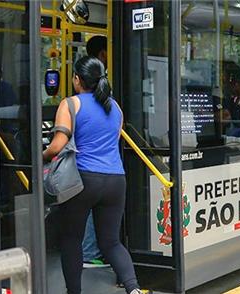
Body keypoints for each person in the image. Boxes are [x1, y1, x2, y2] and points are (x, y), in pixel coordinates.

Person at [43, 56, 144, 294]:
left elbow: (58, 145)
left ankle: (74, 292)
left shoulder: (71, 104)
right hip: (116, 180)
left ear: (77, 79)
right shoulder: (115, 107)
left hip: (83, 180)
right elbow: (114, 137)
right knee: (111, 242)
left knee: (71, 239)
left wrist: (41, 155)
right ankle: (133, 288)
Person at [82, 35, 109, 268]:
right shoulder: (108, 100)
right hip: (104, 165)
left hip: (88, 164)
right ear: (102, 55)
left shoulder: (74, 103)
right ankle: (90, 250)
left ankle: (91, 249)